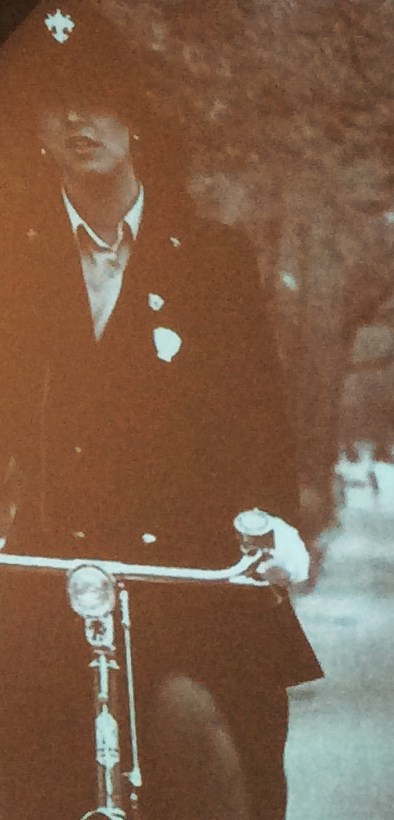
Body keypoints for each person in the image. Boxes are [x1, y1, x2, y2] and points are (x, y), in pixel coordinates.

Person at [0, 2, 323, 818]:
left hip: (187, 575)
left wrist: (275, 529)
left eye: (98, 95)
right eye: (53, 99)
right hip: (52, 579)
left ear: (135, 115)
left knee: (212, 742)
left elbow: (261, 425)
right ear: (33, 128)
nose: (78, 117)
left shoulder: (213, 260)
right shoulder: (13, 261)